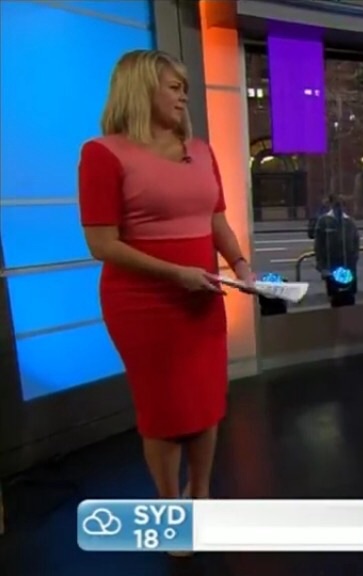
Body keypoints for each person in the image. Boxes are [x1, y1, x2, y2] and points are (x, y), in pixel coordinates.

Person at [78, 51, 254, 517]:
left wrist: (241, 265)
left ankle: (201, 495)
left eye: (185, 89)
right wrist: (176, 274)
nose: (183, 97)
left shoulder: (201, 151)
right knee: (165, 412)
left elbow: (216, 219)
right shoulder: (102, 154)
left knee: (206, 402)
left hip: (203, 299)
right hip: (144, 304)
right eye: (174, 87)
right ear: (141, 89)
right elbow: (101, 244)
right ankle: (170, 507)